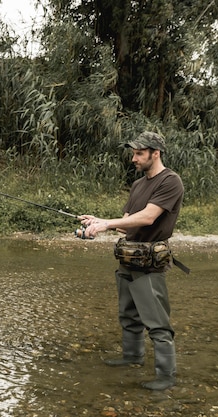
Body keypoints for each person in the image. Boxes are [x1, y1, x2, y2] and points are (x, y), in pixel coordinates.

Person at [78, 131, 184, 391]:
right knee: (128, 315)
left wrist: (106, 224)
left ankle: (166, 377)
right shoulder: (138, 185)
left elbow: (148, 217)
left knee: (157, 322)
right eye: (133, 153)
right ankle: (132, 357)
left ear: (155, 153)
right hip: (127, 259)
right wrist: (97, 222)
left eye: (139, 153)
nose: (134, 158)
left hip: (150, 264)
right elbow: (126, 224)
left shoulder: (170, 181)